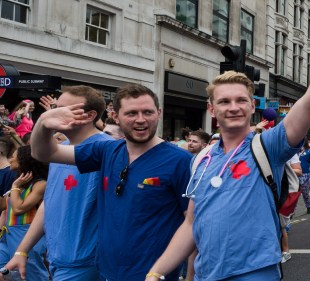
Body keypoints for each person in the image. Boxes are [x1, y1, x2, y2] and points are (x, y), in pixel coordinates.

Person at [145, 2, 310, 279]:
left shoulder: (267, 146)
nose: (233, 106)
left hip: (255, 272)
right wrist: (157, 272)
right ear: (211, 109)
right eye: (224, 101)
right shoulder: (201, 159)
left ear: (253, 106)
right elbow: (192, 224)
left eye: (241, 100)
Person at [29, 83, 193, 280]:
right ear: (115, 116)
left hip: (151, 275)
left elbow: (192, 224)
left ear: (159, 113)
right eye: (131, 113)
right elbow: (43, 152)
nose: (141, 120)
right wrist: (44, 122)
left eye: (147, 112)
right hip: (107, 272)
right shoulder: (107, 151)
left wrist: (162, 272)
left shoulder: (181, 161)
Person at [3, 86, 111, 280]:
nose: (55, 114)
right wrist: (22, 251)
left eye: (64, 109)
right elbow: (49, 204)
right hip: (58, 258)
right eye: (55, 108)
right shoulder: (60, 150)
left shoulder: (107, 149)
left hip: (86, 261)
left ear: (91, 114)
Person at [0, 145, 49, 281]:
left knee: (31, 275)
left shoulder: (40, 184)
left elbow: (19, 208)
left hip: (26, 235)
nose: (10, 160)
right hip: (7, 236)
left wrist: (15, 188)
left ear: (24, 161)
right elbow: (3, 205)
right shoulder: (20, 184)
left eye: (14, 157)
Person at [298, 139, 310, 214]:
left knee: (305, 191)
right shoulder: (294, 151)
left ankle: (308, 206)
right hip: (295, 173)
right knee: (294, 192)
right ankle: (291, 210)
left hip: (306, 173)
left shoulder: (308, 151)